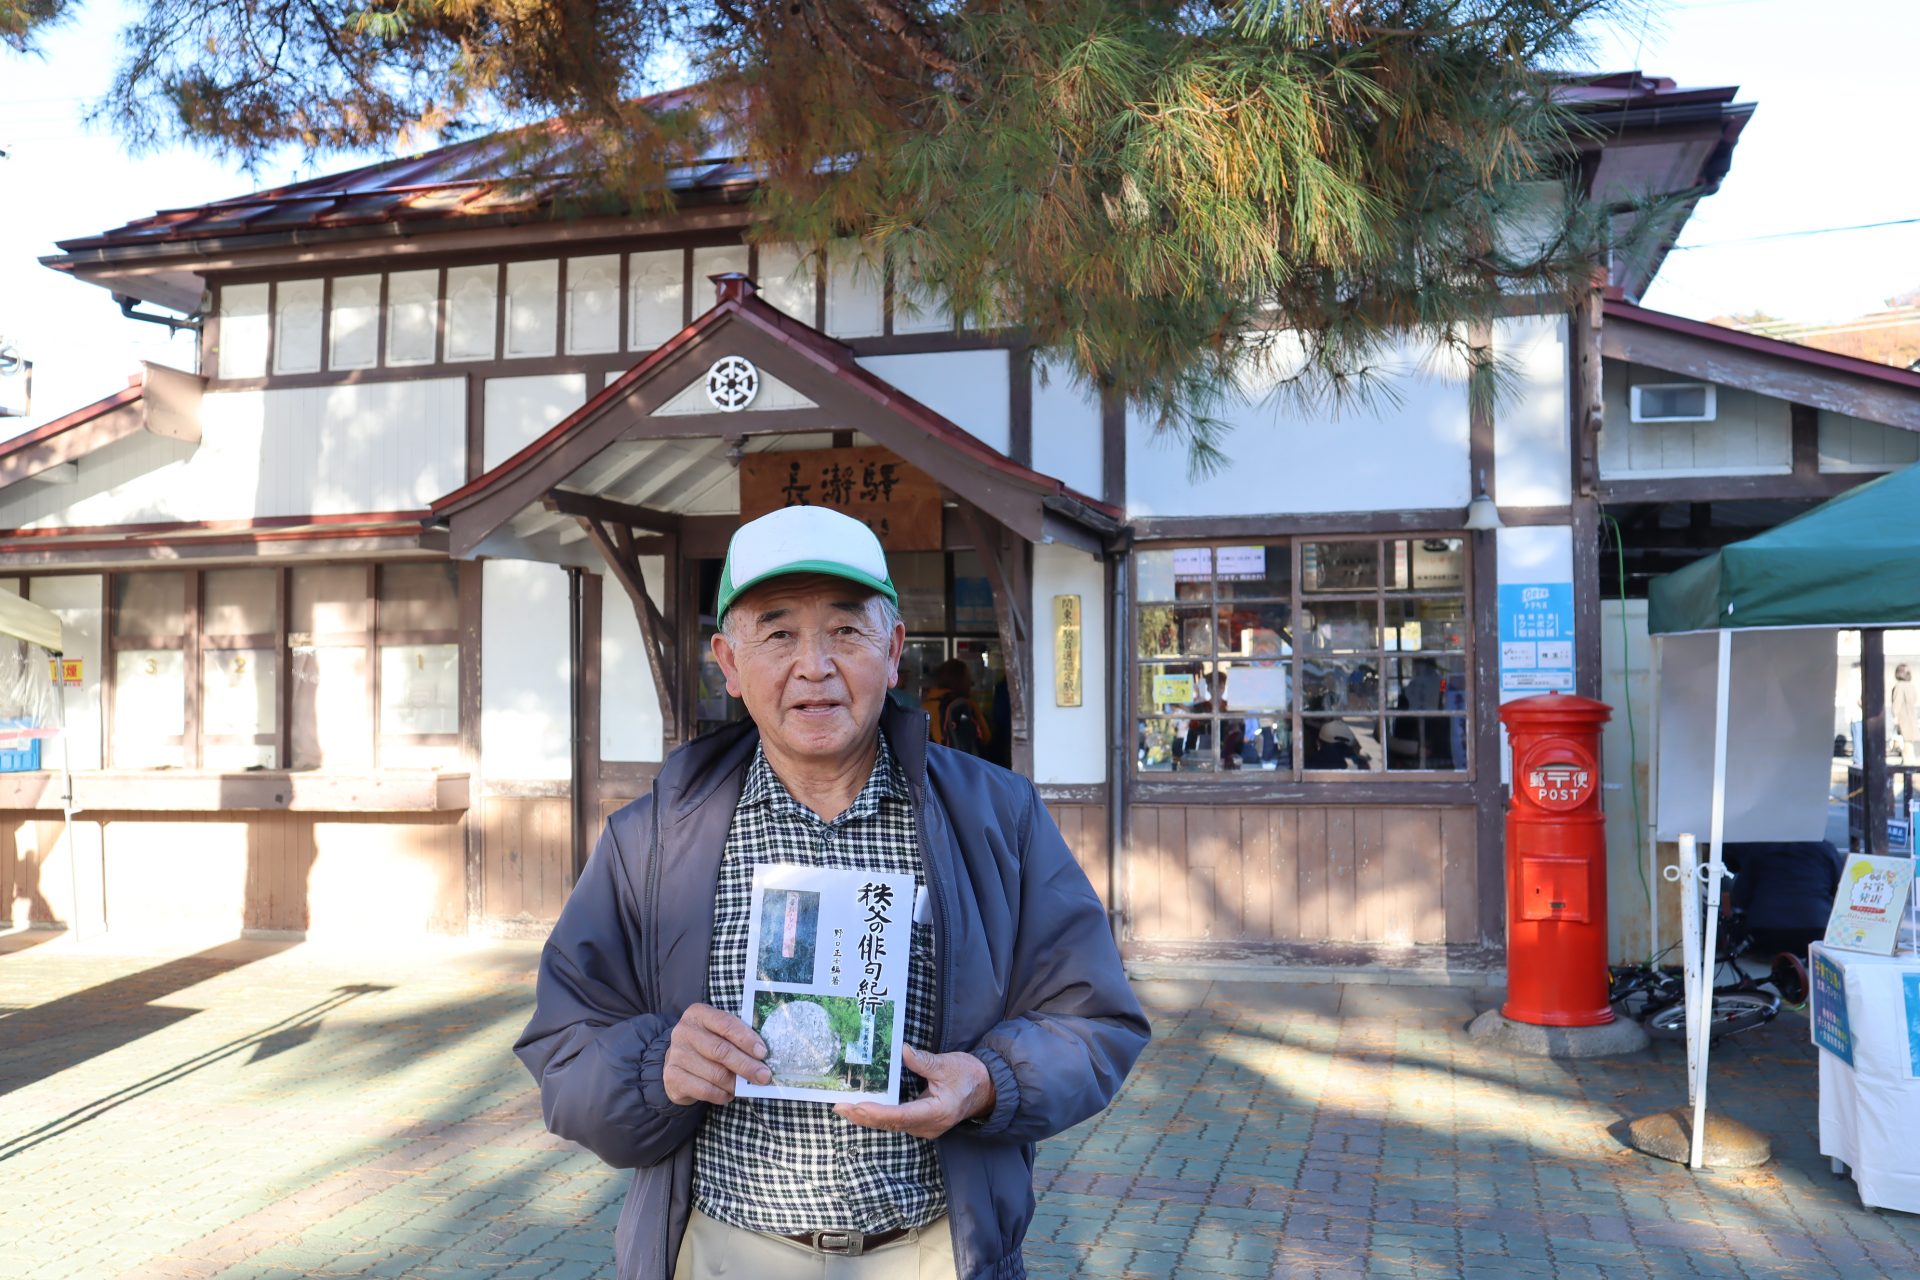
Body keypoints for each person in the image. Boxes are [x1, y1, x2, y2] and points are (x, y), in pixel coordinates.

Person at [515, 505, 1149, 1280]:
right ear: (728, 662)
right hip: (722, 1252)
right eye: (778, 634)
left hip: (932, 1254)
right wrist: (656, 1069)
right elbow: (564, 1046)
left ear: (894, 651)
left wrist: (990, 1083)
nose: (814, 665)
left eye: (846, 631)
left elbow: (1094, 1019)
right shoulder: (649, 842)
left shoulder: (996, 818)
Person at [920, 657, 989, 758]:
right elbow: (986, 737)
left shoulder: (925, 705)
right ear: (962, 681)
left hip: (936, 761)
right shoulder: (966, 704)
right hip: (961, 762)